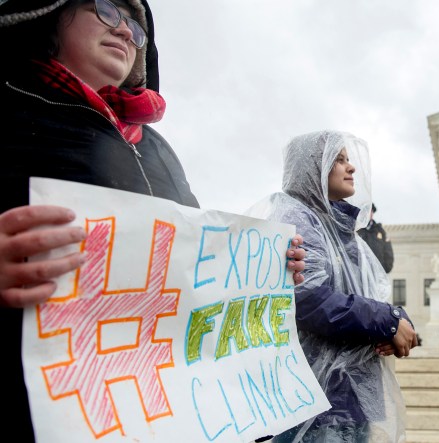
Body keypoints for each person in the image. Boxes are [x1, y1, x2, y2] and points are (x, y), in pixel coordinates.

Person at [0, 1, 305, 441]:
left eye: (137, 29)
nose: (126, 32)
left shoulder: (156, 146)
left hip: (152, 412)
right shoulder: (9, 105)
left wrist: (265, 277)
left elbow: (195, 255)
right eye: (107, 9)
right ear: (50, 12)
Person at [245, 130, 419, 442]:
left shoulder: (341, 230)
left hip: (345, 399)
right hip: (315, 404)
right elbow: (309, 300)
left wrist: (396, 323)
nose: (351, 168)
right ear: (312, 168)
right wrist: (387, 321)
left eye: (349, 160)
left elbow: (366, 295)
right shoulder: (297, 217)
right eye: (338, 160)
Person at [357, 203, 394, 273]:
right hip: (360, 272)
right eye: (366, 211)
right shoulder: (356, 229)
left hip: (378, 273)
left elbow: (388, 250)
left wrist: (385, 268)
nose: (368, 213)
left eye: (370, 211)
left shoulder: (380, 231)